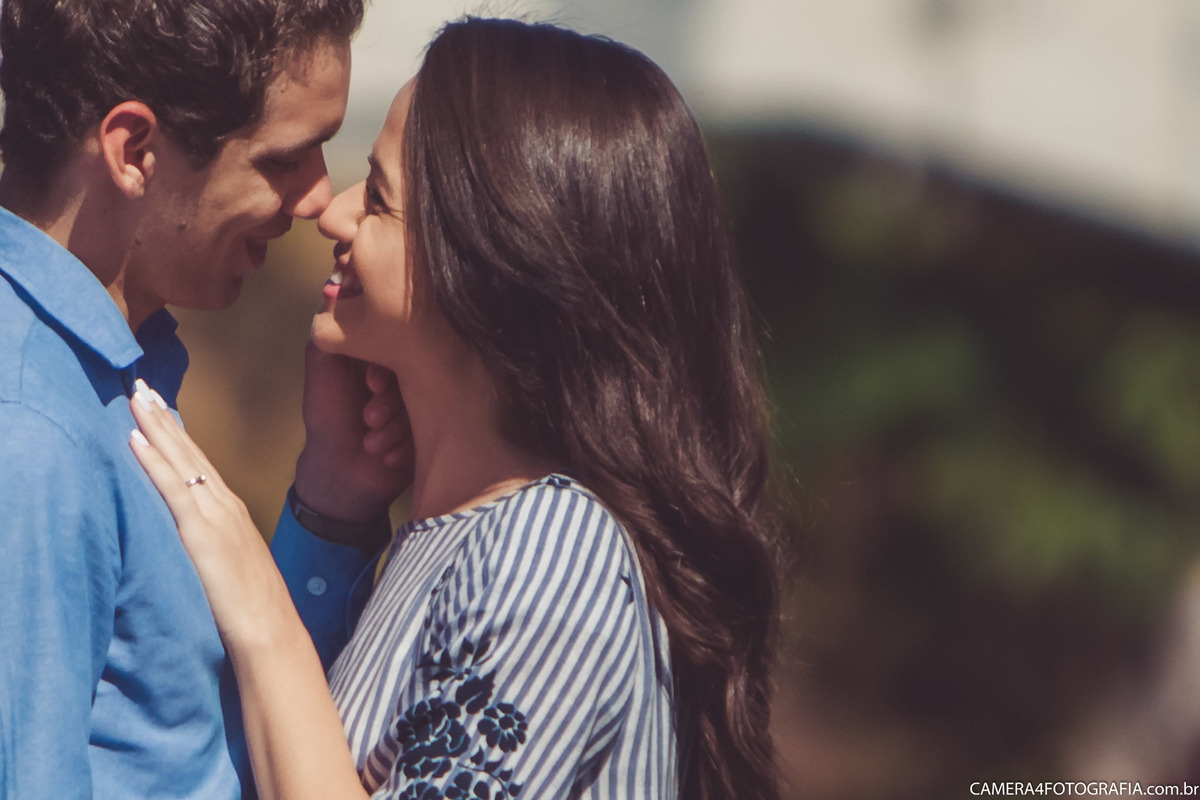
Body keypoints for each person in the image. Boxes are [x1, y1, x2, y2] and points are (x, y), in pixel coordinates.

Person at [130, 16, 782, 800]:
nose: (331, 214)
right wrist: (334, 500)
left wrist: (263, 616)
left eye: (379, 199)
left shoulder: (551, 554)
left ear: (499, 260)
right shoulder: (461, 540)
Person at [0, 0, 399, 797]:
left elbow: (215, 740)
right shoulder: (29, 433)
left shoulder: (104, 375)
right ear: (134, 150)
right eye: (285, 160)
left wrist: (333, 497)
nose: (321, 199)